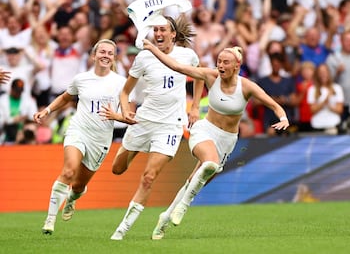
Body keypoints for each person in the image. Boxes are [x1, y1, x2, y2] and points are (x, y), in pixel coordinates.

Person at [142, 39, 289, 240]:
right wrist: (152, 49)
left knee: (196, 181)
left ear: (237, 66)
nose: (220, 65)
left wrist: (283, 118)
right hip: (205, 130)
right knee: (210, 163)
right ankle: (183, 206)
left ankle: (164, 218)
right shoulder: (210, 76)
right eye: (219, 61)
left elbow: (274, 105)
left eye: (225, 62)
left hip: (227, 140)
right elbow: (176, 66)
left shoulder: (246, 86)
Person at [109, 15, 202, 241]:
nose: (158, 34)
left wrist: (195, 106)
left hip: (170, 126)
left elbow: (200, 77)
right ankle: (128, 151)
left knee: (149, 177)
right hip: (144, 121)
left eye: (163, 30)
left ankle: (122, 229)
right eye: (155, 30)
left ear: (173, 34)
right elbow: (125, 91)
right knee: (118, 169)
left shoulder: (187, 55)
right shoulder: (143, 57)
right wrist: (125, 111)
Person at [33, 39, 126, 235]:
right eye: (102, 52)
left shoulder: (121, 83)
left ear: (114, 57)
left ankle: (72, 199)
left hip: (100, 139)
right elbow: (66, 97)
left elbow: (127, 114)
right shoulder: (81, 79)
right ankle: (49, 220)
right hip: (79, 130)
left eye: (110, 53)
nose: (105, 55)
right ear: (94, 55)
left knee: (78, 185)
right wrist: (47, 110)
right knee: (68, 171)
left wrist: (117, 116)